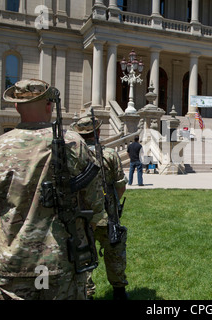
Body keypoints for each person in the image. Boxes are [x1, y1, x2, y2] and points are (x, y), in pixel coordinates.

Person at [0, 79, 103, 300]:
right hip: (60, 260)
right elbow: (95, 203)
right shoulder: (74, 143)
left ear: (16, 106)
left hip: (12, 260)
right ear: (50, 105)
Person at [71, 116, 129, 300]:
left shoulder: (71, 156)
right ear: (97, 132)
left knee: (83, 254)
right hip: (105, 214)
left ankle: (86, 293)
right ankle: (119, 291)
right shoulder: (110, 154)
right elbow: (120, 186)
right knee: (114, 255)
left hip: (81, 216)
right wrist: (112, 205)